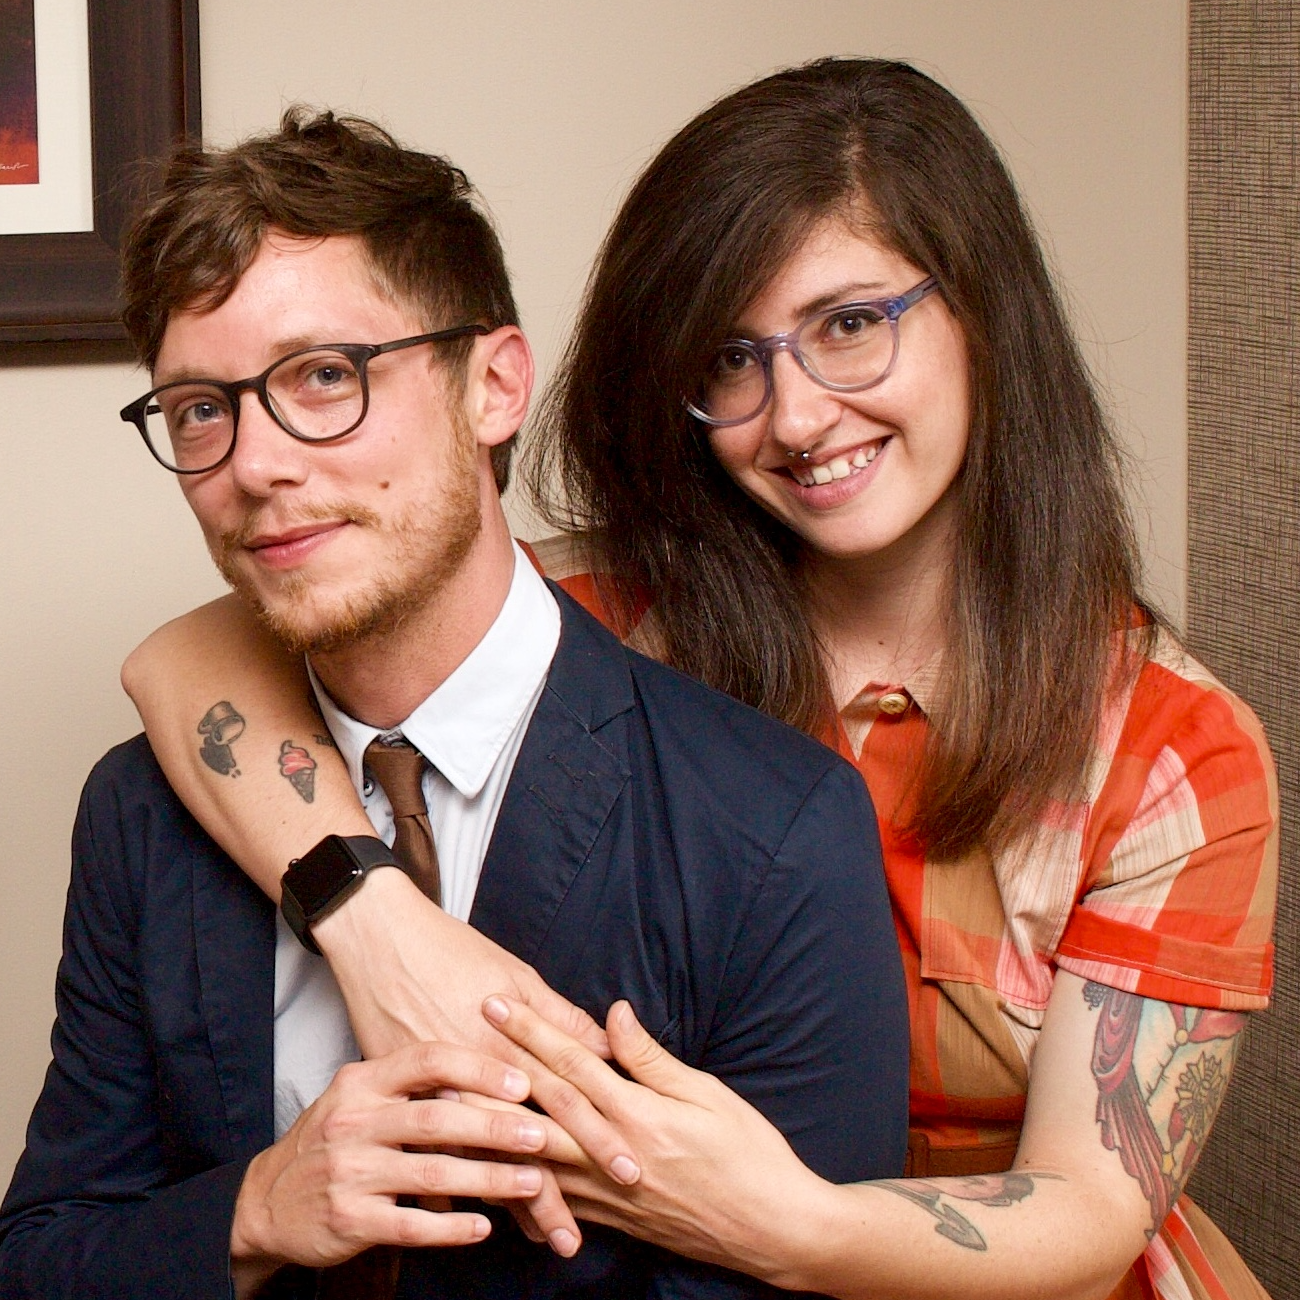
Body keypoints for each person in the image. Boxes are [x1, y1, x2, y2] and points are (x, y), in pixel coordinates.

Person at [110, 59, 1274, 1300]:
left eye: (849, 325)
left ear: (983, 313)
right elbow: (194, 658)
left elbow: (1090, 1209)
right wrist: (382, 927)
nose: (797, 417)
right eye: (729, 358)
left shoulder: (1170, 748)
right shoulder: (614, 617)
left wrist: (784, 1220)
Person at [0, 110, 911, 1299]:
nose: (254, 464)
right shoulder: (142, 813)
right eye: (200, 409)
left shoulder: (770, 829)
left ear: (492, 385)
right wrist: (257, 1210)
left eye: (324, 376)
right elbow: (42, 1257)